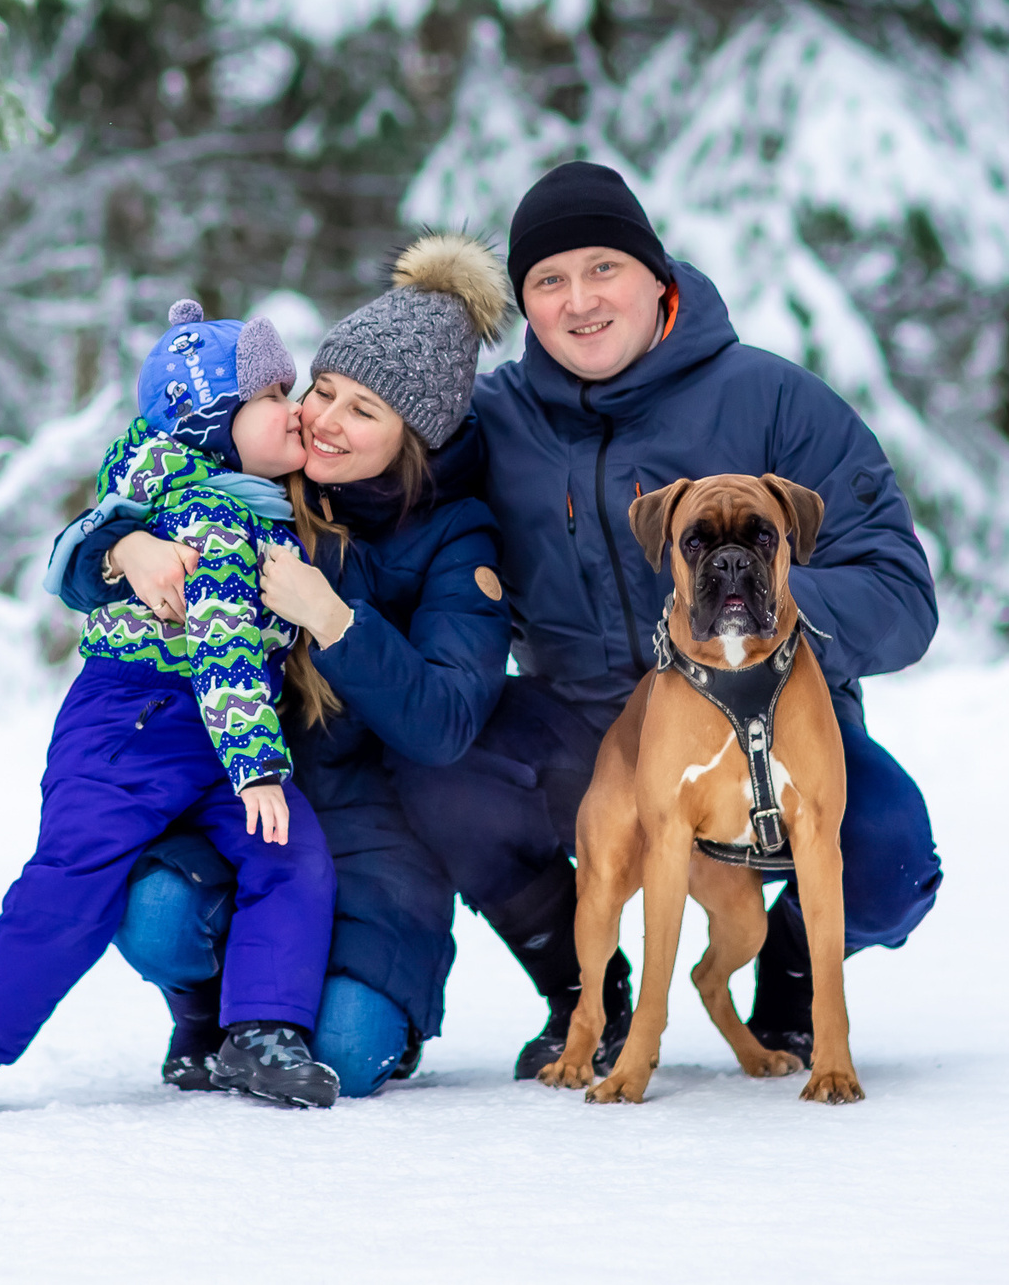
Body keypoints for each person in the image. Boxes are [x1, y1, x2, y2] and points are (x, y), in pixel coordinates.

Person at [398, 161, 944, 1078]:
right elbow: (368, 474)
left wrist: (760, 599)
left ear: (658, 274)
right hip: (590, 728)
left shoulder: (774, 400)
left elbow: (901, 592)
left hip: (770, 718)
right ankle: (586, 990)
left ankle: (791, 980)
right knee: (444, 774)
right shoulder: (492, 424)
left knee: (889, 855)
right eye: (548, 280)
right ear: (523, 305)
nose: (580, 301)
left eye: (603, 267)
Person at [55, 237, 514, 1097]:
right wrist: (124, 548)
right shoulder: (264, 481)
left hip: (379, 828)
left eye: (363, 411)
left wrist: (336, 619)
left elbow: (444, 722)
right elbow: (108, 525)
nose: (324, 419)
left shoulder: (460, 538)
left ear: (416, 439)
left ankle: (355, 1011)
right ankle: (214, 1016)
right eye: (322, 390)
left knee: (345, 1041)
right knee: (153, 908)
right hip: (254, 797)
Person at [0, 301, 342, 1112]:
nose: (296, 406)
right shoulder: (210, 512)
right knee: (76, 873)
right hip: (130, 726)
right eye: (273, 394)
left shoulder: (231, 489)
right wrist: (257, 769)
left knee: (290, 853)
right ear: (213, 420)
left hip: (217, 735)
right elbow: (222, 641)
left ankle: (261, 1031)